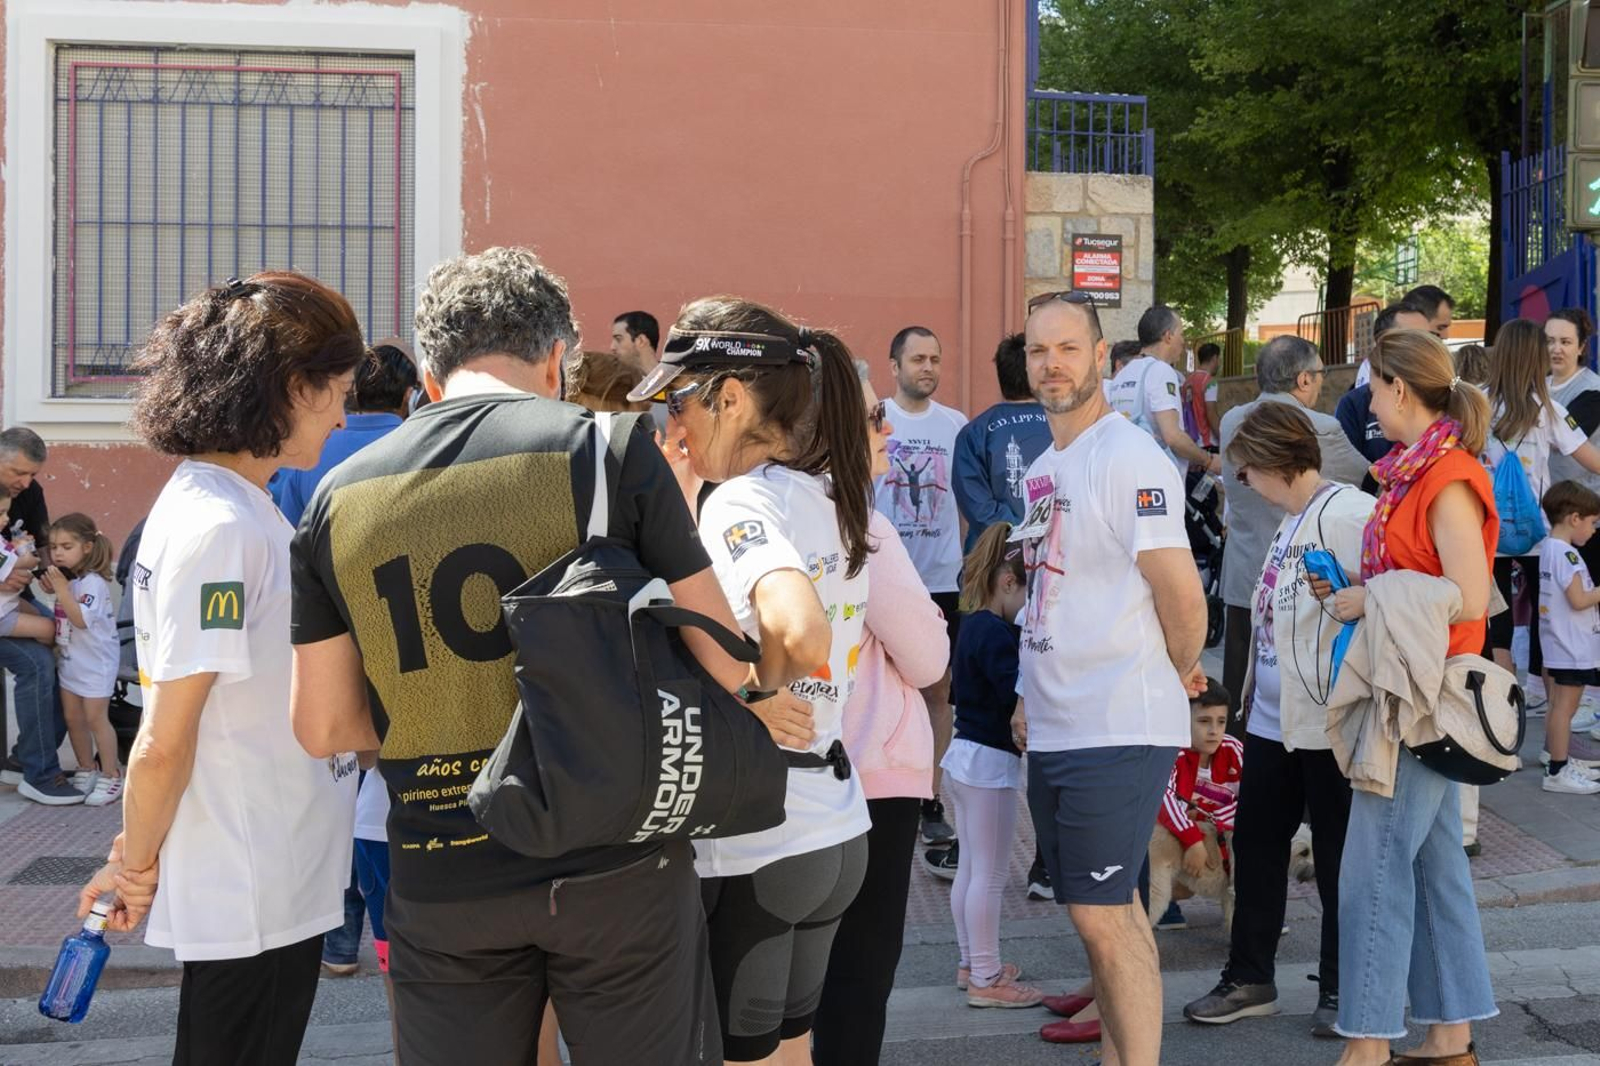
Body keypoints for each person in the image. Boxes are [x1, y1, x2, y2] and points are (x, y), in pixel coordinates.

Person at [289, 249, 747, 1066]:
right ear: (555, 358)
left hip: (437, 865)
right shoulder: (608, 448)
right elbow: (721, 656)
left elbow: (325, 726)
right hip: (615, 862)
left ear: (428, 374)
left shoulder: (337, 497)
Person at [72, 272, 364, 1065]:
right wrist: (132, 866)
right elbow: (166, 736)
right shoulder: (219, 528)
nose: (342, 415)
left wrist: (130, 851)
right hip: (253, 878)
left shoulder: (230, 505)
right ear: (291, 388)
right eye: (336, 391)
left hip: (273, 868)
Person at [629, 296, 873, 1065]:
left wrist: (754, 691)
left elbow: (801, 629)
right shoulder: (827, 494)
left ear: (729, 398)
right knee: (787, 1052)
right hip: (831, 822)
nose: (673, 424)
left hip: (760, 839)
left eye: (678, 399)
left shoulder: (741, 499)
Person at [1015, 292, 1208, 1066]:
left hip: (1118, 723)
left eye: (1067, 348)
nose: (1051, 363)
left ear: (1103, 357)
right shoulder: (1046, 464)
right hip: (1061, 723)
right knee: (1099, 912)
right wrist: (1030, 693)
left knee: (1106, 919)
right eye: (1037, 351)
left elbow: (1182, 596)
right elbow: (1047, 588)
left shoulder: (1128, 454)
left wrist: (1177, 671)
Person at [1312, 326, 1498, 1066]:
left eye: (1371, 384)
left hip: (1422, 692)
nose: (1365, 401)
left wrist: (1373, 596)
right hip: (1414, 684)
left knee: (1374, 869)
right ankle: (1450, 1031)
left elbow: (1472, 595)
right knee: (1429, 864)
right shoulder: (1415, 471)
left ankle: (1367, 1041)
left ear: (1397, 387)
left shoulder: (1443, 476)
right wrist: (1367, 597)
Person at [1185, 401, 1375, 1037]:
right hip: (1270, 721)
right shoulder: (1290, 520)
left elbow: (1390, 593)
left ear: (1272, 462)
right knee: (1258, 847)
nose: (1242, 484)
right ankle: (1250, 975)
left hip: (1328, 723)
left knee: (1336, 857)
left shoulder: (1348, 512)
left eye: (1245, 472)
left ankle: (1342, 986)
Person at [811, 365, 946, 1065]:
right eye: (871, 418)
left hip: (789, 780)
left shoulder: (744, 511)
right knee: (858, 979)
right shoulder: (864, 528)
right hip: (874, 777)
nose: (888, 428)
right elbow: (926, 656)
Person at [1220, 337, 1370, 737]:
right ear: (1304, 379)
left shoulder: (1231, 419)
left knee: (1239, 685)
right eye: (1319, 375)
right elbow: (1368, 479)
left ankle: (1231, 770)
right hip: (1301, 582)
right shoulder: (1321, 428)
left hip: (1241, 571)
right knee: (1294, 684)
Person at [874, 325, 967, 848]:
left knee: (937, 689)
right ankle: (879, 794)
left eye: (935, 358)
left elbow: (967, 503)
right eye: (917, 359)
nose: (928, 367)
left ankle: (929, 799)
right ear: (894, 365)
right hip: (886, 578)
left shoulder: (956, 425)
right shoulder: (875, 420)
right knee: (877, 687)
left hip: (941, 580)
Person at [943, 521, 1043, 1008]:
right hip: (989, 766)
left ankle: (972, 962)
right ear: (1008, 582)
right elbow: (1015, 695)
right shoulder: (998, 634)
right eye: (1027, 594)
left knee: (971, 869)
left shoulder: (970, 623)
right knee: (990, 876)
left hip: (963, 760)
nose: (1028, 607)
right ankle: (985, 977)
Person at [1480, 318, 1600, 681]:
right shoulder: (1548, 410)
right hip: (1538, 532)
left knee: (1496, 619)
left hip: (1488, 529)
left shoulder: (1476, 402)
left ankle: (1503, 708)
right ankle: (1547, 701)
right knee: (1544, 616)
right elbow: (1593, 461)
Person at [0, 426, 75, 804]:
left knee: (69, 651)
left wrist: (51, 577)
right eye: (18, 473)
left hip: (16, 601)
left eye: (32, 474)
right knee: (38, 664)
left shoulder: (30, 493)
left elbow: (42, 543)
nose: (26, 483)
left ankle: (25, 760)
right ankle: (39, 773)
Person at [269, 340, 419, 527]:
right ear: (409, 395)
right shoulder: (423, 447)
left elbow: (290, 531)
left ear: (354, 389)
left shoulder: (311, 450)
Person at [46, 514, 122, 807]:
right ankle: (86, 767)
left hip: (96, 663)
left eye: (67, 546)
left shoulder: (93, 583)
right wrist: (59, 589)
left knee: (94, 718)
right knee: (73, 718)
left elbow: (79, 620)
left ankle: (111, 773)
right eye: (54, 547)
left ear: (88, 547)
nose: (58, 553)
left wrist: (62, 592)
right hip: (72, 660)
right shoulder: (72, 581)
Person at [953, 332, 1053, 553]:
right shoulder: (1065, 426)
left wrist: (1016, 533)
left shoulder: (974, 433)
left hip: (993, 561)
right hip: (1054, 557)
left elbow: (977, 507)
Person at [1155, 679, 1241, 928]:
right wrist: (1192, 840)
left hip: (1220, 836)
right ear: (1184, 720)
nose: (1214, 730)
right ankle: (1164, 899)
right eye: (1204, 721)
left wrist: (1213, 818)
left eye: (1221, 722)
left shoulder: (1233, 750)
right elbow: (1165, 800)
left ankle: (1254, 906)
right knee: (1163, 847)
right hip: (1179, 837)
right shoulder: (1173, 754)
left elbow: (1256, 798)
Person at [1535, 481, 1600, 794]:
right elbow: (1579, 599)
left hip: (1558, 642)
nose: (1593, 530)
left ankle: (1558, 762)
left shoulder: (1549, 547)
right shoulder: (1568, 555)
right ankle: (1558, 770)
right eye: (1592, 523)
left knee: (1558, 706)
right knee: (1566, 709)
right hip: (1571, 645)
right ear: (1575, 518)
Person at [1108, 305, 1222, 475]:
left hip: (1125, 472)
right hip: (1156, 481)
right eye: (1181, 334)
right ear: (1168, 336)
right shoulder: (1160, 371)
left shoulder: (1125, 373)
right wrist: (1208, 460)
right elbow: (1172, 436)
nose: (1183, 342)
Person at [1339, 303, 1433, 462]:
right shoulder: (1355, 404)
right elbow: (1347, 470)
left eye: (1430, 338)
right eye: (1412, 338)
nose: (1426, 347)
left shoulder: (1442, 396)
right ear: (1383, 341)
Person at [1184, 342, 1222, 449]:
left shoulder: (1187, 381)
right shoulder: (1209, 382)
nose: (1219, 363)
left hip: (1191, 442)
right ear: (1215, 358)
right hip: (1208, 442)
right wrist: (1223, 438)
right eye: (1219, 359)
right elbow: (1211, 414)